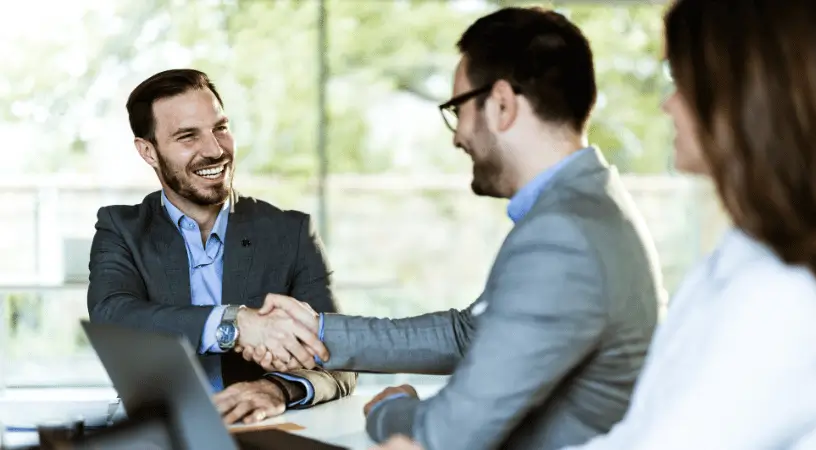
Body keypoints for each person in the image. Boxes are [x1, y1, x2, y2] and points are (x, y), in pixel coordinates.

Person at [373, 0, 816, 448]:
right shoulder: (753, 261)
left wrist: (399, 418)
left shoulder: (781, 295)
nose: (668, 105)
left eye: (682, 82)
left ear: (749, 97)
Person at [239, 7, 665, 450]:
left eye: (457, 108)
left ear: (501, 104)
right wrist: (318, 329)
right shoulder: (589, 206)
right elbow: (467, 333)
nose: (457, 135)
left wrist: (389, 407)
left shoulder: (562, 236)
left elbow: (440, 435)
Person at [87, 69, 356, 425]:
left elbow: (341, 358)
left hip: (263, 432)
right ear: (148, 152)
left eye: (221, 128)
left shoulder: (291, 232)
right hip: (161, 431)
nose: (215, 150)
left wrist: (278, 389)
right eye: (187, 136)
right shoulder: (121, 228)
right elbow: (113, 317)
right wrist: (234, 324)